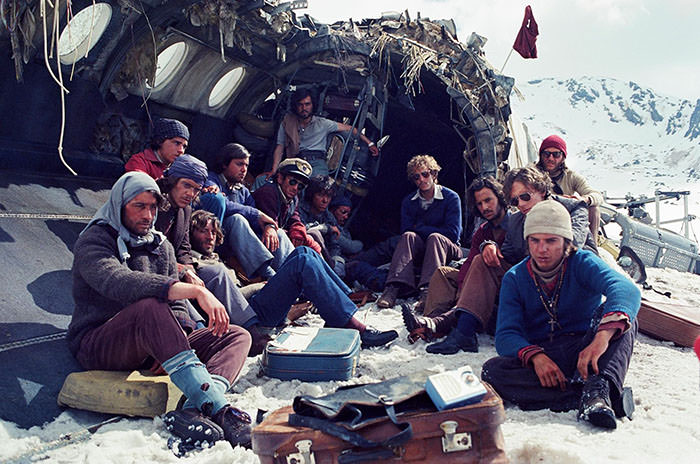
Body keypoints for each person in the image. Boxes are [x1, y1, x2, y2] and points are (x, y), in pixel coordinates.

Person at [67, 171, 253, 449]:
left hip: (149, 340)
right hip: (100, 341)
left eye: (153, 207)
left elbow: (177, 308)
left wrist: (171, 340)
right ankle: (218, 407)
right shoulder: (94, 240)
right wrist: (194, 289)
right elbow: (118, 282)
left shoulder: (160, 245)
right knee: (150, 307)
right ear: (119, 205)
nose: (148, 215)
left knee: (236, 336)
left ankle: (191, 407)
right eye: (138, 206)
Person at [403, 166, 597, 354]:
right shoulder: (517, 220)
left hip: (565, 285)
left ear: (542, 190)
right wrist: (489, 247)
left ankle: (443, 322)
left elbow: (570, 248)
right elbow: (507, 255)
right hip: (531, 283)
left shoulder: (572, 209)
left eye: (525, 197)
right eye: (515, 200)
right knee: (482, 260)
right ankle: (462, 331)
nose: (520, 204)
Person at [481, 199, 639, 430]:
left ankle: (598, 387)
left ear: (566, 241)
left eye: (551, 241)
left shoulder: (582, 261)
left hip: (587, 350)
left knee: (625, 317)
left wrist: (601, 338)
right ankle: (589, 396)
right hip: (547, 353)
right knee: (492, 371)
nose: (541, 249)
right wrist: (536, 357)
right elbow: (506, 334)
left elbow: (627, 290)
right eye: (535, 240)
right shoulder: (515, 277)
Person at [188, 209, 399, 353]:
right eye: (202, 231)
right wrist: (259, 286)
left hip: (255, 305)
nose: (210, 237)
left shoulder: (218, 257)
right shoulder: (196, 265)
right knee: (302, 262)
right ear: (190, 235)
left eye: (213, 232)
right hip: (248, 321)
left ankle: (343, 301)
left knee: (304, 252)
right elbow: (227, 299)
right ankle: (352, 325)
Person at [409, 176, 511, 318]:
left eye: (488, 200)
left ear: (500, 197)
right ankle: (433, 318)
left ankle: (448, 318)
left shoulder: (515, 223)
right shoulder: (483, 231)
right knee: (443, 273)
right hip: (479, 280)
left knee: (479, 261)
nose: (484, 208)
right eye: (479, 204)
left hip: (506, 283)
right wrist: (461, 292)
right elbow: (468, 263)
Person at [376, 155, 463, 309]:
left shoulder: (451, 197)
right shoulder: (409, 201)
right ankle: (393, 288)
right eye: (416, 177)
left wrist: (420, 227)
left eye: (425, 174)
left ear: (434, 174)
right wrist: (418, 230)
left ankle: (428, 291)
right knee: (408, 237)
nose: (421, 180)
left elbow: (452, 233)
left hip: (447, 247)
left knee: (435, 238)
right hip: (422, 248)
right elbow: (407, 230)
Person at [202, 143, 293, 279]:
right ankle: (267, 273)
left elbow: (255, 217)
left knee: (277, 232)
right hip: (215, 239)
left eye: (246, 165)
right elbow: (224, 204)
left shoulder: (243, 191)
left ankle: (291, 275)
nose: (244, 170)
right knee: (236, 219)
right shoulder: (211, 180)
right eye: (239, 164)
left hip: (240, 244)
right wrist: (256, 214)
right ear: (224, 164)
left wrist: (269, 226)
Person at [271, 88, 379, 176]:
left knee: (319, 188)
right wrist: (274, 170)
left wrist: (370, 143)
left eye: (307, 104)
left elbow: (351, 129)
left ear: (313, 105)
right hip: (295, 161)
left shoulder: (323, 123)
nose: (304, 108)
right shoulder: (287, 121)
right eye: (300, 105)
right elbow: (280, 147)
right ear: (295, 106)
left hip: (317, 163)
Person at [535, 135, 603, 236]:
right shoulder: (532, 174)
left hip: (565, 218)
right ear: (541, 155)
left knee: (594, 209)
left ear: (563, 157)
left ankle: (592, 248)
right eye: (547, 154)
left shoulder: (571, 177)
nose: (550, 158)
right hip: (538, 216)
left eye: (556, 154)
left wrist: (585, 199)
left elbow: (597, 196)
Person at [253, 158, 321, 253]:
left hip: (274, 243)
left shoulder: (294, 199)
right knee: (280, 234)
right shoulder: (268, 192)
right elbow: (272, 225)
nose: (295, 188)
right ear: (280, 178)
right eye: (292, 182)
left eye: (300, 186)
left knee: (310, 239)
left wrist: (297, 228)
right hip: (260, 241)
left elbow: (294, 217)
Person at [298, 176, 343, 271]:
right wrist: (326, 228)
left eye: (329, 196)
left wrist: (337, 262)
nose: (325, 200)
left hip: (323, 259)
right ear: (312, 195)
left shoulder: (329, 217)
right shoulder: (299, 209)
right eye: (320, 195)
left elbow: (334, 245)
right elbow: (302, 230)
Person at [125, 118, 189, 179]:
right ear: (160, 141)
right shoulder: (139, 162)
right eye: (176, 143)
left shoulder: (179, 170)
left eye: (184, 146)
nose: (181, 150)